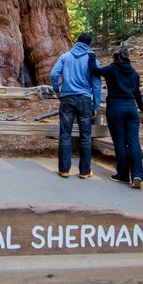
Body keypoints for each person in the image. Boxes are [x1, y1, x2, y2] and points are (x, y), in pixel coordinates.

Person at [88, 48, 143, 189]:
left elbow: (94, 70)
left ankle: (122, 174)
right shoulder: (134, 74)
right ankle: (137, 175)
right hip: (132, 110)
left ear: (115, 58)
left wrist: (91, 56)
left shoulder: (111, 69)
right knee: (134, 142)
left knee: (120, 142)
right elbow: (137, 93)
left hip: (115, 109)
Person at [50, 33, 102, 179]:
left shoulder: (65, 57)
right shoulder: (92, 59)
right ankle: (85, 171)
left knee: (65, 134)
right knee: (85, 136)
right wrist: (96, 105)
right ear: (89, 44)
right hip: (85, 99)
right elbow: (96, 84)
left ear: (77, 42)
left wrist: (57, 90)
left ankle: (64, 169)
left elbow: (54, 74)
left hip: (66, 98)